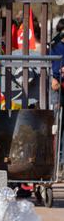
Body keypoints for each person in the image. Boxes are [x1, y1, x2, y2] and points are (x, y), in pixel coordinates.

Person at [51, 18, 64, 172]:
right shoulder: (55, 47)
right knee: (57, 126)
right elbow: (53, 68)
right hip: (58, 90)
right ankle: (57, 163)